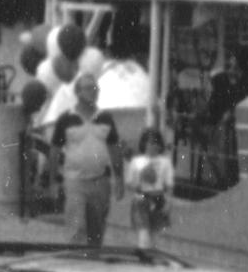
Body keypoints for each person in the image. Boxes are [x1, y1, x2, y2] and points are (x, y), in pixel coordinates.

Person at [58, 110, 115, 250]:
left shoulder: (105, 118)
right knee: (77, 225)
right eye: (88, 88)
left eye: (94, 88)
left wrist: (119, 176)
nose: (93, 92)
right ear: (78, 91)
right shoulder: (67, 118)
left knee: (97, 226)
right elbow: (54, 147)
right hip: (75, 180)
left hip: (100, 179)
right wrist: (54, 179)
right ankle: (76, 260)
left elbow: (114, 146)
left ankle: (94, 259)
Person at [124, 127, 176, 256]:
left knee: (154, 233)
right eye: (150, 142)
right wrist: (140, 179)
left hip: (158, 198)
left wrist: (168, 203)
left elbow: (169, 185)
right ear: (144, 144)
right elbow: (129, 183)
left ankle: (149, 256)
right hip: (141, 198)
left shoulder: (165, 162)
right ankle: (143, 255)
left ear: (160, 145)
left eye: (156, 143)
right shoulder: (137, 162)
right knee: (143, 232)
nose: (153, 146)